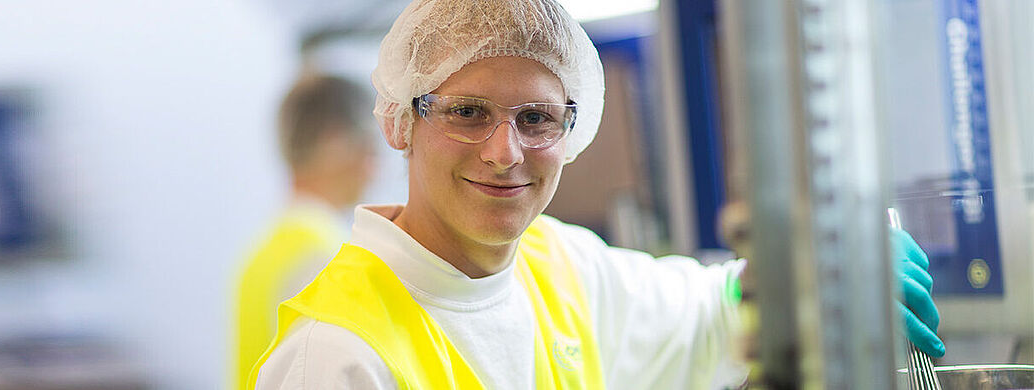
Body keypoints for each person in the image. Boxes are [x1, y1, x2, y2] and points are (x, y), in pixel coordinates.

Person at [246, 0, 944, 389]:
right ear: (403, 121)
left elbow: (709, 314)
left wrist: (815, 279)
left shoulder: (559, 266)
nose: (504, 151)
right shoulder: (336, 356)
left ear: (572, 129)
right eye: (467, 112)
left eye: (537, 118)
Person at [233, 73, 379, 389]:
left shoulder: (260, 256)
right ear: (335, 143)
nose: (376, 167)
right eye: (370, 146)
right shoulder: (327, 259)